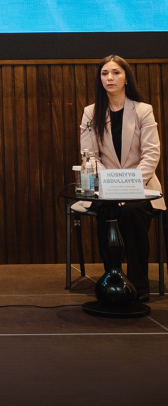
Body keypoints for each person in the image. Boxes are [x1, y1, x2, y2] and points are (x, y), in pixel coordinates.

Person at [79, 54, 164, 301]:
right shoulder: (91, 112)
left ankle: (139, 284)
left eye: (116, 72)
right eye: (105, 73)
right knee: (108, 209)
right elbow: (90, 156)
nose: (110, 78)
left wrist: (129, 188)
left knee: (133, 211)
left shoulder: (143, 110)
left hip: (141, 187)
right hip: (105, 188)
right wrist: (112, 188)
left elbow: (151, 154)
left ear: (126, 78)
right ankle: (112, 280)